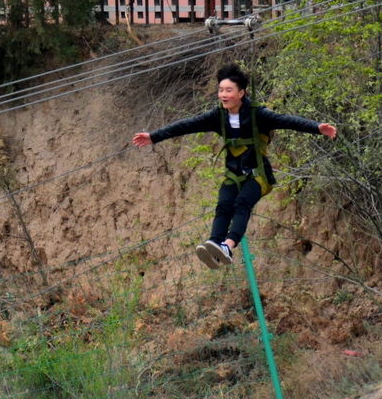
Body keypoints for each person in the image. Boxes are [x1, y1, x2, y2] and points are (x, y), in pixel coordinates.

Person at [132, 63, 337, 268]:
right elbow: (186, 125)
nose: (223, 95)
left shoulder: (258, 114)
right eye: (221, 90)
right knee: (223, 206)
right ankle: (214, 242)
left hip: (258, 175)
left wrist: (317, 128)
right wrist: (154, 137)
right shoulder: (217, 116)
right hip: (233, 172)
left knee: (241, 205)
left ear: (241, 93)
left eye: (228, 90)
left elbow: (287, 121)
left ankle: (228, 246)